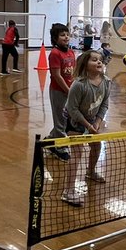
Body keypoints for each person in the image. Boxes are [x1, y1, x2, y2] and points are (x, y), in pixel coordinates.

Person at [60, 50, 111, 207]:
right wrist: (88, 125)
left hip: (92, 119)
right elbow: (72, 109)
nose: (99, 62)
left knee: (96, 145)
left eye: (100, 60)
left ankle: (90, 172)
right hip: (74, 120)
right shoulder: (79, 85)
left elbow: (104, 104)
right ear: (85, 64)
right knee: (77, 153)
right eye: (94, 60)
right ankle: (68, 191)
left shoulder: (106, 82)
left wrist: (97, 122)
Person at [45, 23, 76, 161]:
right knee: (60, 119)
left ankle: (50, 140)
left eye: (67, 34)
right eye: (62, 35)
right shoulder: (55, 53)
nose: (66, 37)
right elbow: (57, 76)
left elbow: (74, 72)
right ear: (55, 38)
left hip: (69, 90)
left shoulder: (71, 52)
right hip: (58, 91)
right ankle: (60, 148)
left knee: (66, 120)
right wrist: (68, 90)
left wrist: (74, 88)